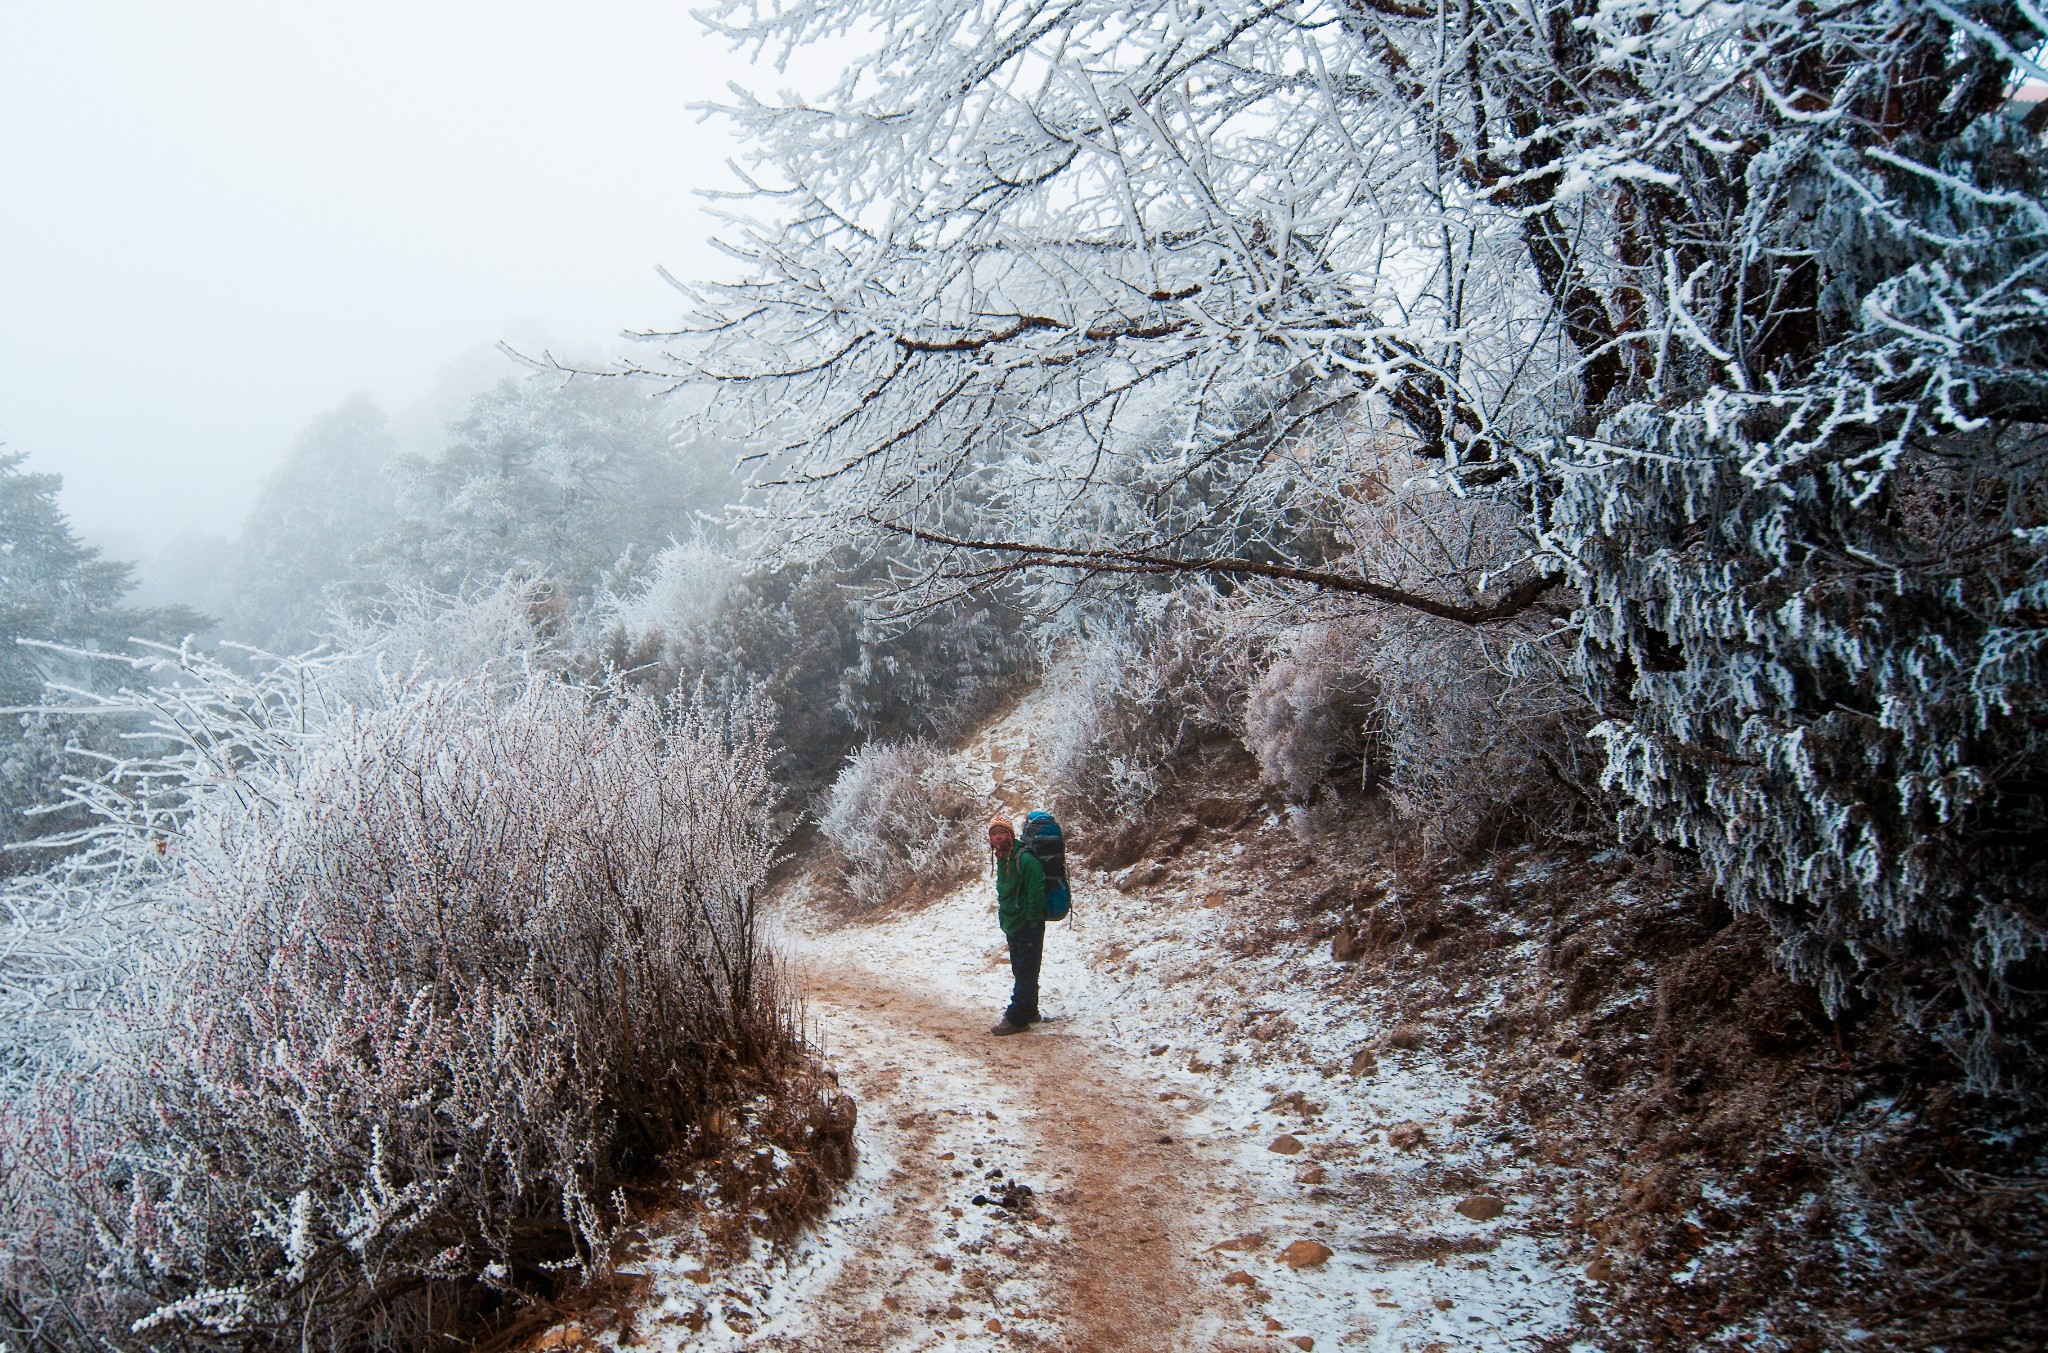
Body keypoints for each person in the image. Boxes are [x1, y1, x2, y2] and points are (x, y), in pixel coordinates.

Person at [986, 815, 1046, 1036]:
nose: (998, 837)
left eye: (1002, 832)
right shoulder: (1003, 857)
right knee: (1022, 969)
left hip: (1027, 923)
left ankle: (1017, 1017)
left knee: (1025, 970)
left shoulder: (1025, 859)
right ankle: (1029, 1009)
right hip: (1012, 923)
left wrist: (1031, 920)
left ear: (1011, 834)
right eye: (993, 834)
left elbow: (1036, 889)